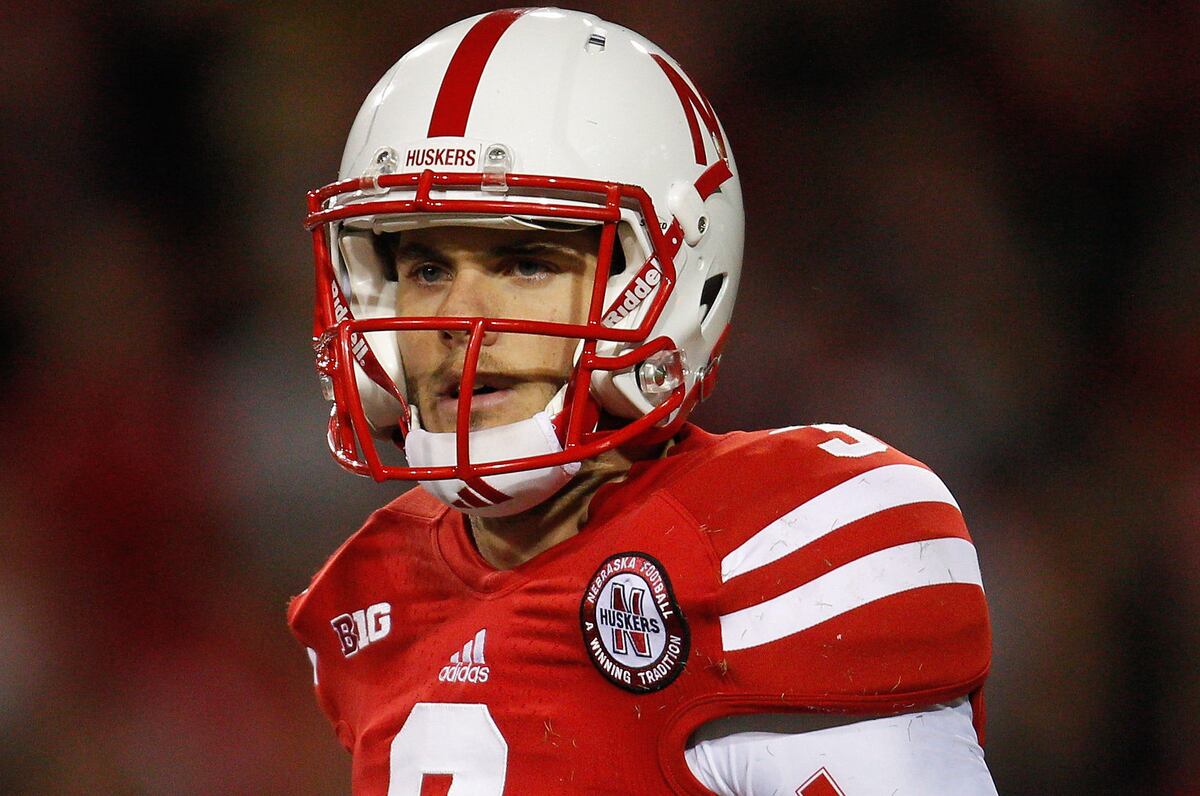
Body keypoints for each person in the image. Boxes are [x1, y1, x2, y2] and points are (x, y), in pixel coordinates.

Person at [289, 8, 997, 795]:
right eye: (426, 270)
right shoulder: (368, 592)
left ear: (661, 281)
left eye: (525, 262)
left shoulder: (770, 554)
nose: (459, 317)